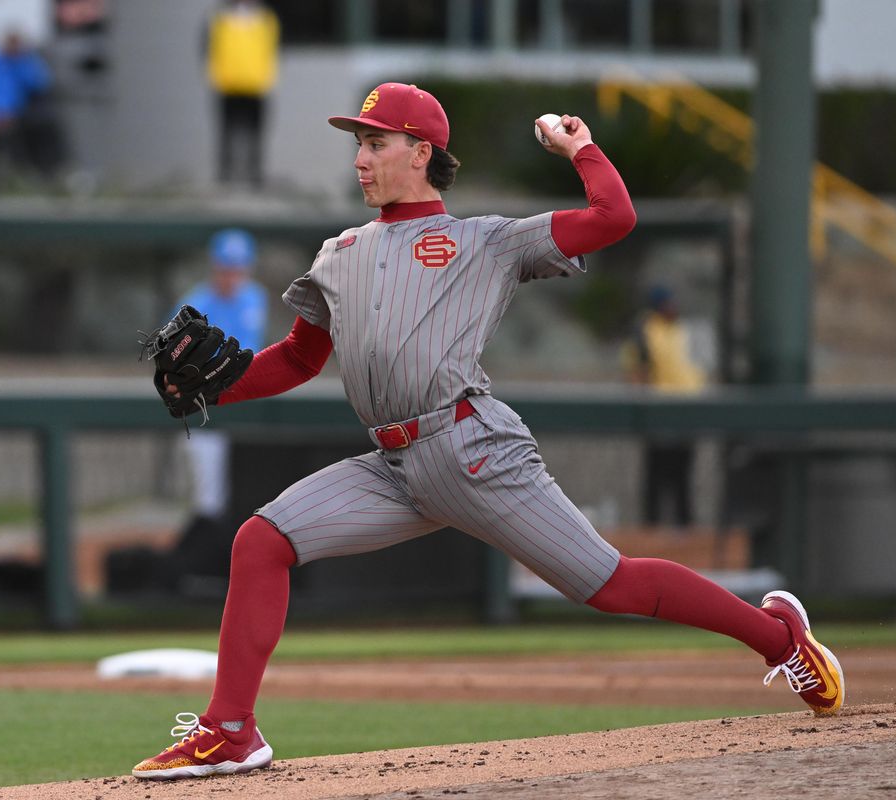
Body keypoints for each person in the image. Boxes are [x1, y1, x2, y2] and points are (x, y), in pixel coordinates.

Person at [131, 82, 844, 781]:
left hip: (472, 450)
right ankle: (230, 731)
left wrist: (581, 149)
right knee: (260, 542)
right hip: (391, 467)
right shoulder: (338, 252)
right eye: (360, 144)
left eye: (376, 143)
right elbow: (297, 358)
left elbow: (614, 217)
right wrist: (217, 387)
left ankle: (780, 637)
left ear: (421, 152)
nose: (360, 159)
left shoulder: (487, 241)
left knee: (610, 585)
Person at [178, 228, 269, 525]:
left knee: (250, 487)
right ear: (214, 266)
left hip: (243, 399)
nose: (232, 276)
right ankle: (208, 538)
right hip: (205, 403)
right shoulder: (194, 305)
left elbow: (251, 351)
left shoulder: (254, 297)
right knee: (209, 498)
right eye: (226, 268)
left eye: (238, 268)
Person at [625, 284, 706, 527]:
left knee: (682, 471)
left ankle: (684, 523)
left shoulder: (681, 329)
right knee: (657, 471)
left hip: (686, 410)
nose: (674, 306)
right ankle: (652, 524)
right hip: (660, 410)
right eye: (668, 302)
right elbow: (637, 368)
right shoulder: (646, 328)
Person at [0, 29, 60, 180]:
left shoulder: (24, 62)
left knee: (44, 124)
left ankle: (43, 170)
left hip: (18, 115)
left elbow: (40, 84)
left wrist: (23, 62)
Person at [205, 0, 279, 187]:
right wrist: (216, 77)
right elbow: (212, 48)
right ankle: (225, 173)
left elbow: (271, 50)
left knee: (255, 132)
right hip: (228, 84)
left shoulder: (266, 19)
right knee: (227, 131)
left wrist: (267, 78)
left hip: (256, 85)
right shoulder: (221, 18)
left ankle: (254, 173)